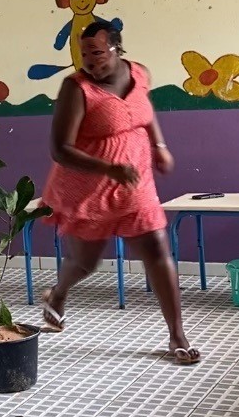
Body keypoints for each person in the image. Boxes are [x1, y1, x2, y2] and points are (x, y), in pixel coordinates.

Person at [41, 21, 200, 365]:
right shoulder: (75, 88)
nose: (89, 61)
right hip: (88, 184)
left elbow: (145, 110)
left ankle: (177, 335)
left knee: (157, 247)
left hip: (135, 180)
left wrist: (159, 146)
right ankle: (58, 293)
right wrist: (109, 168)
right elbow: (60, 149)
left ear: (117, 48)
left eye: (97, 53)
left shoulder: (138, 73)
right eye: (84, 55)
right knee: (86, 262)